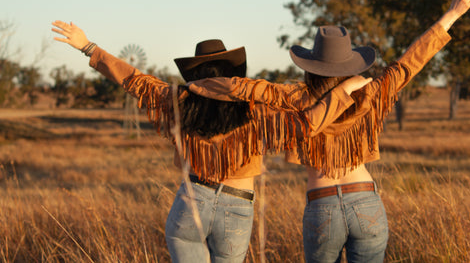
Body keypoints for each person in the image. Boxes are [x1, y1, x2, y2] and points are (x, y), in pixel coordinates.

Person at [186, 0, 470, 262]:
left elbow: (243, 87)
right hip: (365, 200)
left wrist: (199, 85)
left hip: (322, 203)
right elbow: (410, 62)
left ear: (311, 67)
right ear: (350, 64)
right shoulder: (368, 92)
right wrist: (451, 15)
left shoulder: (297, 98)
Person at [51, 21, 372, 263]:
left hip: (192, 200)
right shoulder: (256, 106)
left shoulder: (179, 100)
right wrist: (343, 92)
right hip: (237, 205)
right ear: (234, 72)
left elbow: (133, 79)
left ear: (196, 73)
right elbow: (305, 124)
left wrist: (89, 47)